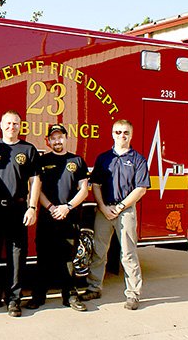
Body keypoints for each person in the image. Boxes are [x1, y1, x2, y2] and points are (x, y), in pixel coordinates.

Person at [0, 110, 41, 317]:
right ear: (1, 125)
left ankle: (14, 300)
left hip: (18, 209)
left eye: (15, 124)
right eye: (8, 123)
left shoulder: (28, 149)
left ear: (20, 126)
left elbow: (36, 180)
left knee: (17, 256)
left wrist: (32, 207)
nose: (12, 127)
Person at [79, 119, 150, 310]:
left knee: (128, 254)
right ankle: (94, 287)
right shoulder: (103, 158)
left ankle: (133, 294)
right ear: (112, 134)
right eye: (118, 132)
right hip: (104, 211)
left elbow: (141, 189)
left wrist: (119, 207)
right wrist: (102, 207)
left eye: (126, 132)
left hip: (125, 212)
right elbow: (96, 185)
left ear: (131, 135)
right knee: (99, 251)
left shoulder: (138, 159)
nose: (122, 136)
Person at [25, 124, 89, 312]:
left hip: (69, 218)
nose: (57, 141)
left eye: (60, 137)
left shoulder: (77, 160)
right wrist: (52, 207)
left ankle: (70, 296)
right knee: (43, 259)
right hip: (48, 217)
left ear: (66, 138)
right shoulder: (42, 161)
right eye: (53, 138)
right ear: (48, 140)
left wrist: (67, 208)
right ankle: (38, 297)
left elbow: (84, 190)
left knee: (69, 259)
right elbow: (37, 189)